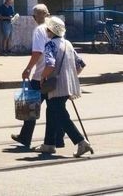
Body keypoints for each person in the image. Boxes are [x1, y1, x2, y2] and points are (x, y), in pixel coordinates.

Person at [34, 16, 92, 157]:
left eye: (48, 29)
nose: (46, 31)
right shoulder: (68, 44)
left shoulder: (50, 45)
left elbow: (50, 65)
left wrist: (42, 77)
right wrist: (69, 77)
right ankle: (49, 144)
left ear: (51, 31)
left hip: (55, 87)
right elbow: (81, 64)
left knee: (60, 115)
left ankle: (81, 142)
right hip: (68, 85)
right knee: (52, 112)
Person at [11, 4, 64, 150]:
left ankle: (25, 137)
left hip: (40, 76)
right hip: (54, 75)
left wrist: (28, 68)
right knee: (55, 109)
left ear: (34, 17)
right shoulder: (55, 29)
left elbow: (37, 52)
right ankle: (58, 139)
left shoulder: (39, 30)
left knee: (31, 106)